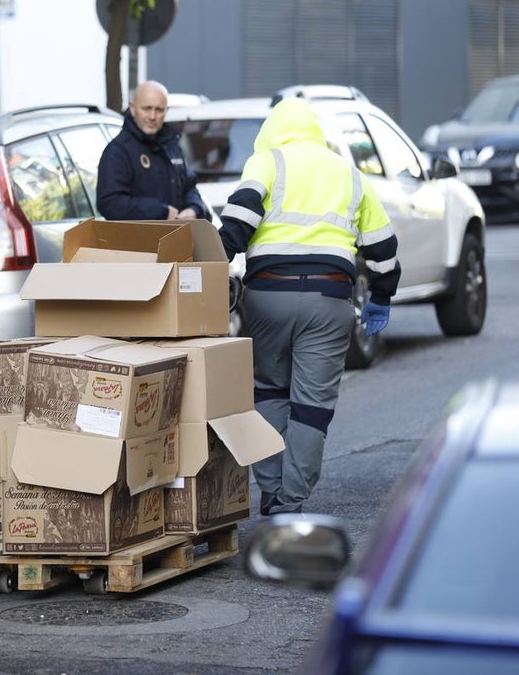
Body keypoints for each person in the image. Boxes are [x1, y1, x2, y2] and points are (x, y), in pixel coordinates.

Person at [217, 97, 400, 516]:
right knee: (311, 406)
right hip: (329, 299)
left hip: (267, 298)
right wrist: (382, 294)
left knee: (268, 391)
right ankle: (291, 500)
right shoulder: (348, 173)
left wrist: (212, 266)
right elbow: (383, 247)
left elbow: (237, 223)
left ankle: (270, 486)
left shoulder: (267, 161)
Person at [96, 80, 211, 221]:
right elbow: (110, 203)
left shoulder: (172, 145)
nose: (152, 116)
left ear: (166, 111)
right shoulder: (118, 152)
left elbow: (188, 186)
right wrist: (160, 212)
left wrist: (194, 208)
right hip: (137, 241)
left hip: (175, 239)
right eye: (146, 108)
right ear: (132, 108)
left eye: (159, 110)